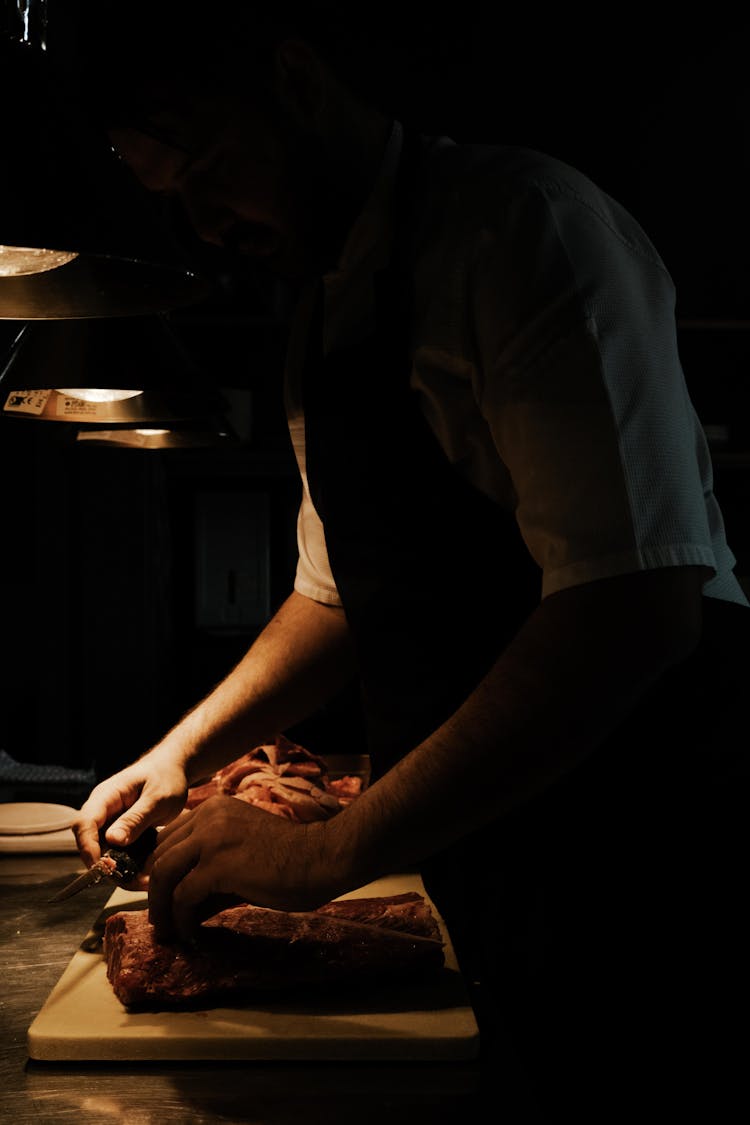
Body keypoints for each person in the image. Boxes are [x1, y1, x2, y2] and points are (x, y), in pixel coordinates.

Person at [69, 3, 749, 1117]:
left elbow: (633, 603)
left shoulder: (521, 229)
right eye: (169, 200)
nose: (202, 223)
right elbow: (331, 595)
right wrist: (182, 752)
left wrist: (322, 855)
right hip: (490, 866)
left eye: (208, 168)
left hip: (645, 864)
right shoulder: (328, 308)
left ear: (293, 76)